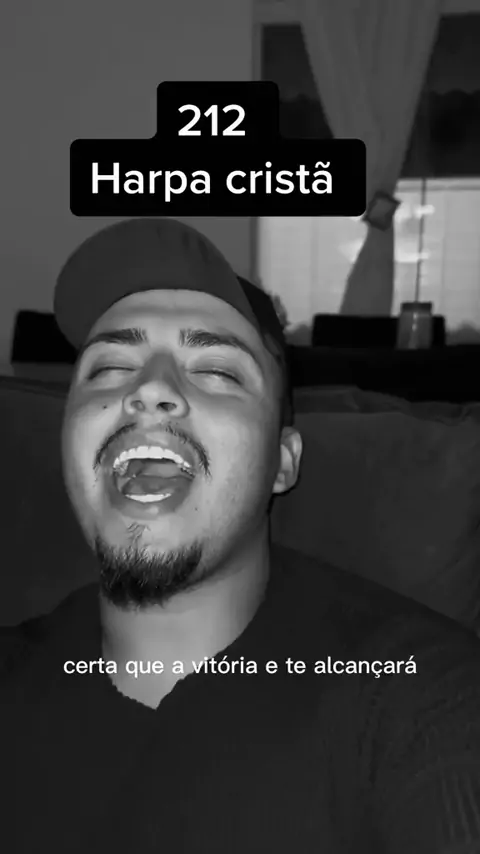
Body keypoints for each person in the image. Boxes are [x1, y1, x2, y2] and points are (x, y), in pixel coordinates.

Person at [2, 218, 480, 854]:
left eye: (218, 371)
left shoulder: (425, 699)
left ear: (283, 462)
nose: (150, 389)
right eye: (111, 366)